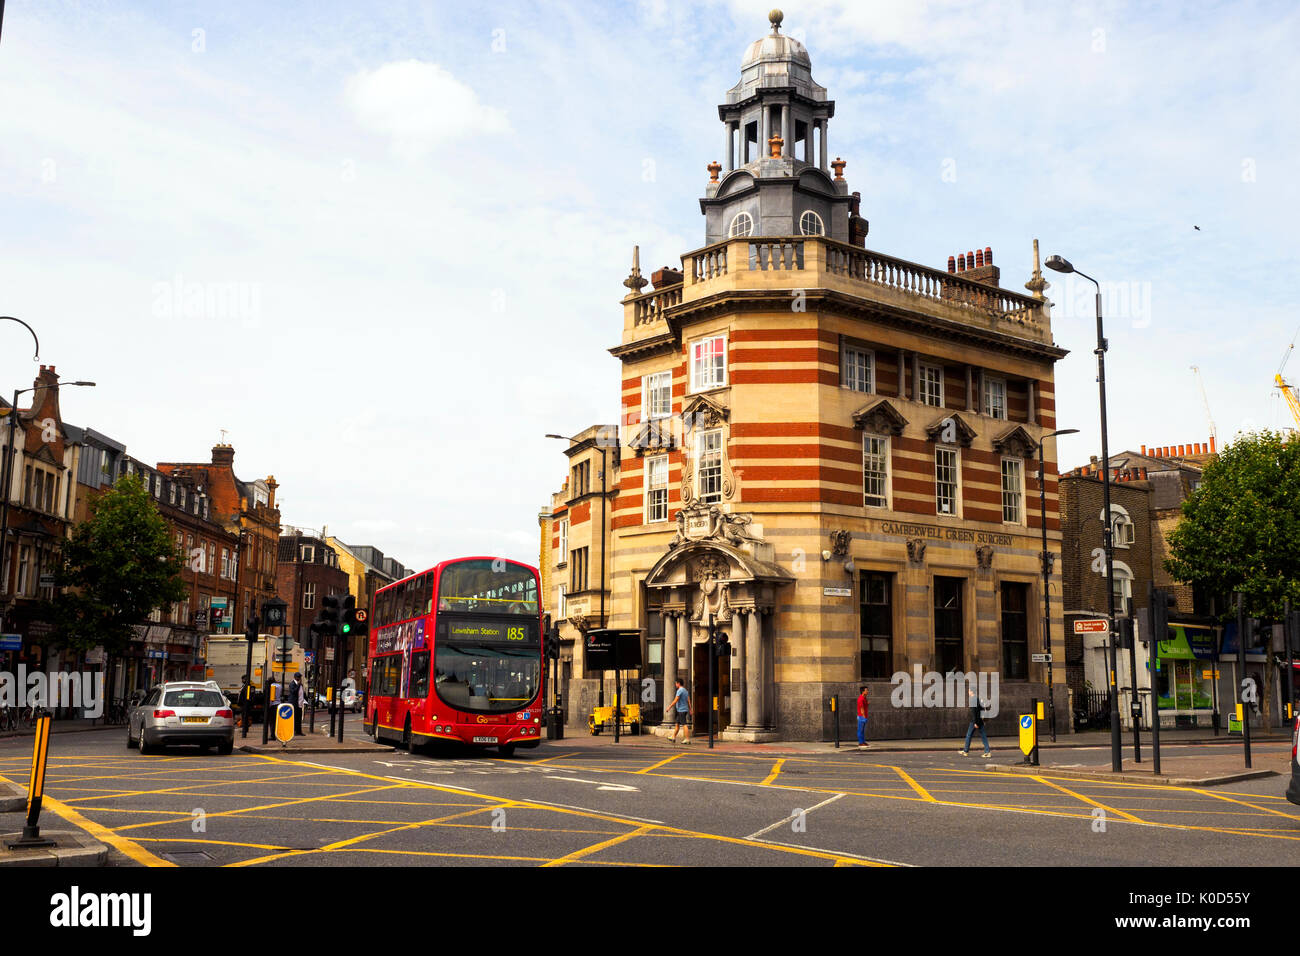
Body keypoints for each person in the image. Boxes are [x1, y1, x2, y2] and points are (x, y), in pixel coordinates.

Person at [960, 686, 992, 757]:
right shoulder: (977, 699)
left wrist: (976, 723)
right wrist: (981, 721)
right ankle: (987, 751)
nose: (968, 692)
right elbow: (981, 710)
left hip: (975, 721)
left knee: (969, 735)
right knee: (983, 736)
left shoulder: (972, 700)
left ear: (971, 691)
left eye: (969, 691)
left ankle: (965, 751)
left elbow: (975, 712)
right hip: (979, 720)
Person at [668, 678, 691, 744]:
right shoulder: (685, 691)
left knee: (684, 724)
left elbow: (676, 700)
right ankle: (673, 737)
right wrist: (690, 709)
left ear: (678, 683)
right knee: (677, 724)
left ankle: (687, 739)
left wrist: (669, 707)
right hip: (683, 710)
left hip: (681, 710)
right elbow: (688, 701)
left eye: (676, 683)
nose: (675, 685)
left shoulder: (679, 690)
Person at [856, 685, 870, 749]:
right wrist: (864, 717)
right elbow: (861, 708)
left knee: (862, 730)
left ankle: (863, 742)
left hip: (864, 716)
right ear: (863, 691)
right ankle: (860, 743)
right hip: (861, 716)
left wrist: (867, 703)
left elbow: (865, 705)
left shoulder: (864, 698)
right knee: (860, 730)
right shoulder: (861, 699)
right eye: (866, 690)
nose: (868, 691)